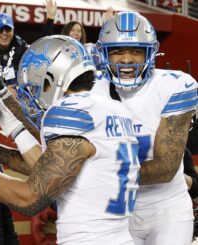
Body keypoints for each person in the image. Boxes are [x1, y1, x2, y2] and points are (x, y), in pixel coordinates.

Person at [0, 35, 141, 245]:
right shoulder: (114, 109)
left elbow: (29, 199)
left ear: (53, 79)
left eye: (37, 84)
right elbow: (48, 166)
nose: (33, 93)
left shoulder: (69, 112)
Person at [93, 11, 198, 245]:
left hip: (166, 212)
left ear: (151, 52)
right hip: (114, 213)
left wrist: (95, 175)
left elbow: (165, 169)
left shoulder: (173, 86)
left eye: (136, 51)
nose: (127, 60)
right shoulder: (91, 90)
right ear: (104, 53)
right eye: (118, 51)